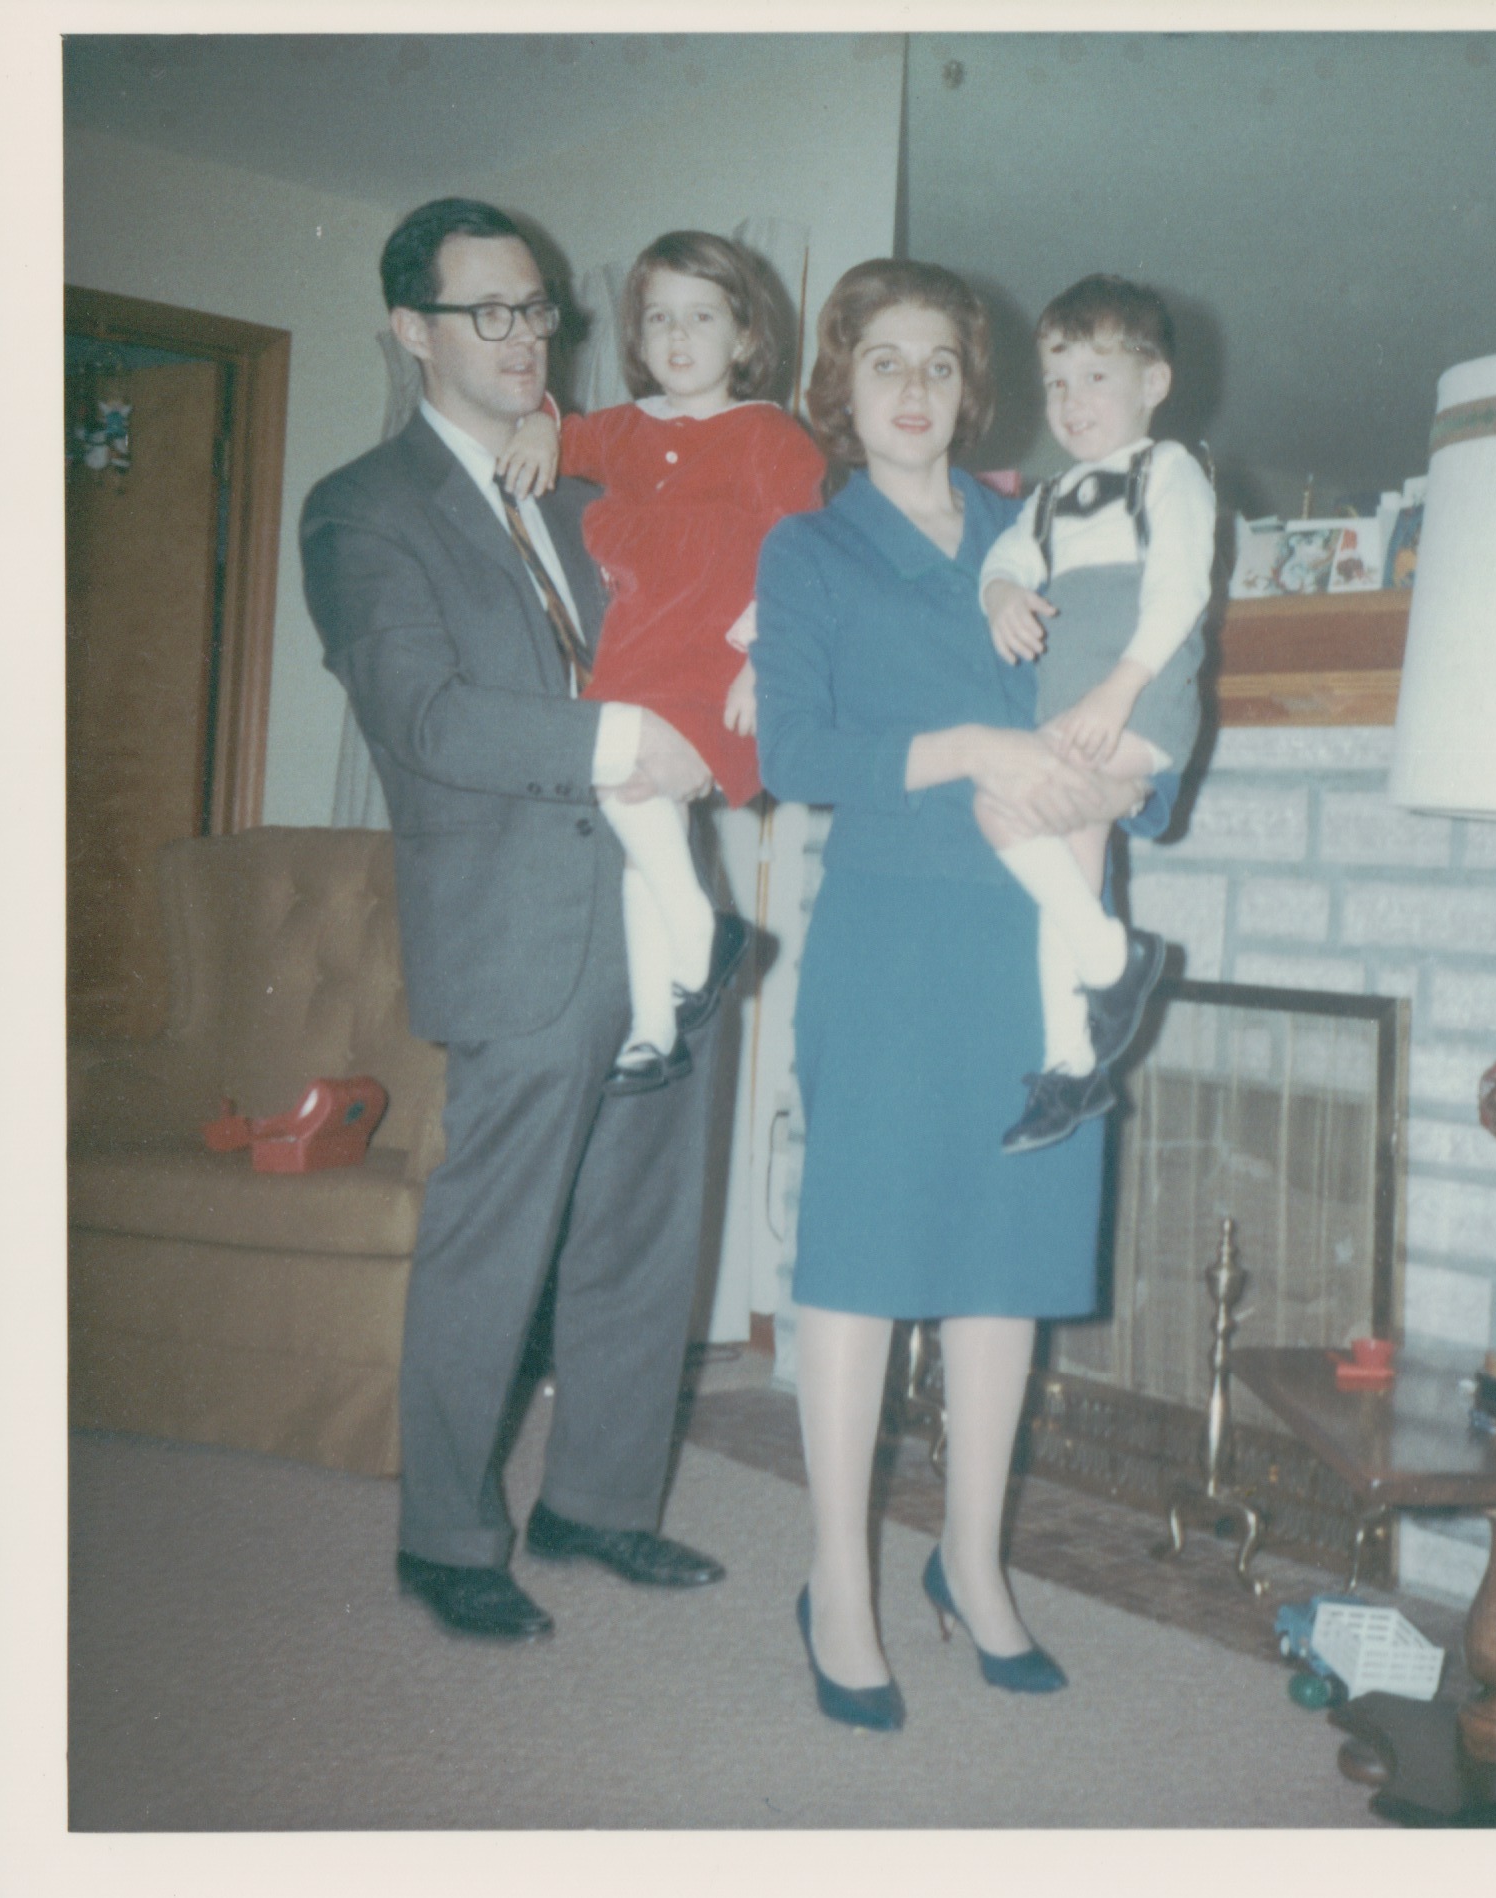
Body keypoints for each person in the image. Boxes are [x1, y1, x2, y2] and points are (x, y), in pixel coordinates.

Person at [752, 259, 1171, 1732]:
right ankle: (839, 1582)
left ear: (971, 389)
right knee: (862, 1255)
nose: (914, 387)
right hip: (889, 936)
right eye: (884, 361)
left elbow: (1151, 674)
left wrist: (1121, 787)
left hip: (1039, 938)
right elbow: (793, 751)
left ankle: (974, 1564)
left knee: (1009, 1248)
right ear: (842, 385)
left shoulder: (1041, 523)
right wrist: (974, 751)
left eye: (939, 362)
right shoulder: (810, 550)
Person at [301, 198, 727, 1643]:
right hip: (515, 917)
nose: (524, 334)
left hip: (658, 902)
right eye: (487, 310)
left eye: (538, 307)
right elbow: (422, 715)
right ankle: (446, 1534)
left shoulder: (586, 483)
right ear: (409, 331)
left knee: (642, 1228)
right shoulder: (363, 507)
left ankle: (598, 1500)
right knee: (494, 1239)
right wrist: (625, 739)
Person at [499, 231, 825, 1089]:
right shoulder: (625, 431)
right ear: (637, 340)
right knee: (644, 828)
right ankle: (654, 1028)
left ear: (744, 338)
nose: (678, 337)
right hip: (637, 660)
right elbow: (557, 429)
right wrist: (540, 427)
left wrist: (764, 661)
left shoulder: (769, 435)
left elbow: (802, 559)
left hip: (719, 665)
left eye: (702, 317)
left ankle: (702, 936)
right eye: (659, 319)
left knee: (625, 793)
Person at [978, 274, 1217, 1155]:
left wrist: (1119, 688)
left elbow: (1181, 590)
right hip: (1078, 713)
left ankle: (1120, 963)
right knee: (1069, 888)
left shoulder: (1168, 469)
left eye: (1095, 377)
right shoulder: (1047, 500)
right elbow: (1003, 559)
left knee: (999, 803)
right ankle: (1071, 1064)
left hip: (1134, 702)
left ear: (1153, 382)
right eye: (1056, 382)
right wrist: (1002, 594)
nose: (1071, 401)